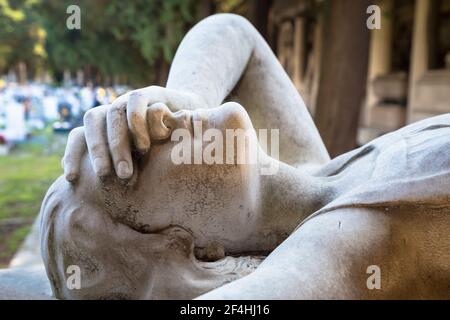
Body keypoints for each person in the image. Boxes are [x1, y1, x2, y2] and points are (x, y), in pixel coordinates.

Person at [40, 14, 450, 299]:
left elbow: (234, 32)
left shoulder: (315, 170)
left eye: (136, 128)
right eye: (138, 160)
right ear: (194, 253)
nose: (161, 124)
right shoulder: (336, 249)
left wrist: (188, 95)